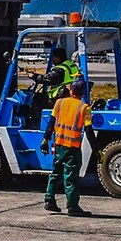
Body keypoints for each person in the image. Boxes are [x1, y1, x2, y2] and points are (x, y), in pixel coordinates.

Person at [43, 77, 91, 216]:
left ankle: (49, 200)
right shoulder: (84, 108)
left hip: (59, 146)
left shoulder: (59, 103)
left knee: (56, 173)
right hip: (73, 148)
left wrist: (45, 139)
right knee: (71, 179)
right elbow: (88, 131)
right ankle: (73, 207)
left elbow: (51, 124)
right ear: (82, 93)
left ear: (71, 91)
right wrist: (97, 149)